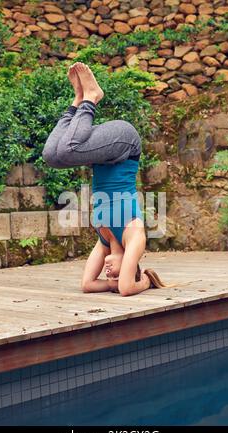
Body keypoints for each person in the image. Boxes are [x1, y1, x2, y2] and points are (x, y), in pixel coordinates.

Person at [42, 62, 165, 296]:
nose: (109, 273)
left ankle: (78, 100)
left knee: (52, 156)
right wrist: (145, 283)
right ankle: (92, 96)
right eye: (116, 274)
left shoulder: (105, 241)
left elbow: (87, 285)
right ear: (133, 266)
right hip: (125, 143)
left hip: (105, 155)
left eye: (110, 277)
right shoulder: (134, 236)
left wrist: (108, 285)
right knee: (67, 150)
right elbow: (127, 289)